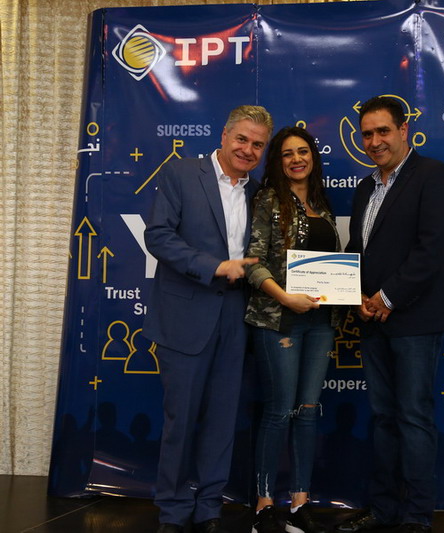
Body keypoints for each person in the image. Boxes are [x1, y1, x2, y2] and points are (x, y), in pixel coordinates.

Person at [144, 105, 273, 533]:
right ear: (224, 136)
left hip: (237, 318)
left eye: (258, 144)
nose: (248, 150)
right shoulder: (182, 173)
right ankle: (174, 510)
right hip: (185, 315)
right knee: (180, 421)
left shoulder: (260, 193)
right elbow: (158, 236)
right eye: (242, 139)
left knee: (222, 421)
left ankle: (209, 508)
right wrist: (214, 266)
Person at [336, 96, 444, 533]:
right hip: (371, 320)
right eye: (367, 134)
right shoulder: (365, 188)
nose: (375, 141)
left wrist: (386, 298)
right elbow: (359, 251)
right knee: (384, 418)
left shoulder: (433, 176)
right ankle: (383, 509)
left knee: (412, 418)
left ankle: (416, 517)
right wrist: (351, 292)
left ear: (404, 130)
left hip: (414, 321)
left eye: (383, 131)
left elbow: (432, 249)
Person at [246, 126, 343, 533]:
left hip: (321, 321)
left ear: (313, 157)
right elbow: (253, 262)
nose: (297, 159)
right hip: (279, 320)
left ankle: (300, 503)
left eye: (303, 151)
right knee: (279, 410)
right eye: (287, 154)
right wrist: (285, 298)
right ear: (278, 161)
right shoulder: (268, 199)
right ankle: (264, 505)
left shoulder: (322, 202)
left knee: (307, 411)